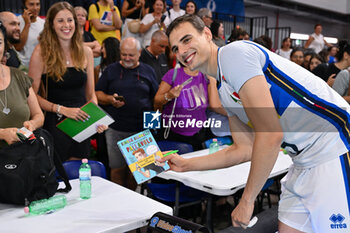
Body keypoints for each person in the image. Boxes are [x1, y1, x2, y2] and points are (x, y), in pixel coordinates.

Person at [162, 14, 350, 232]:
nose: (182, 51)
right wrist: (186, 165)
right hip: (302, 160)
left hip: (333, 146)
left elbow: (271, 135)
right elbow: (243, 149)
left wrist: (247, 200)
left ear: (206, 34)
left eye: (186, 40)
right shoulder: (223, 88)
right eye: (175, 48)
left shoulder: (234, 55)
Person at [29, 2, 107, 162]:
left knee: (80, 174)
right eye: (60, 20)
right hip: (54, 124)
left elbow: (91, 94)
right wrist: (61, 109)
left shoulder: (86, 52)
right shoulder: (41, 53)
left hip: (81, 123)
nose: (66, 25)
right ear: (51, 24)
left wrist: (96, 118)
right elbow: (31, 95)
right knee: (58, 177)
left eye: (70, 20)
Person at [95, 37, 158, 188]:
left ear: (139, 53)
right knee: (116, 170)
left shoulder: (148, 71)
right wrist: (110, 99)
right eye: (124, 55)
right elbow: (97, 94)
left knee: (138, 174)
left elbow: (155, 100)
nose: (127, 58)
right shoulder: (111, 70)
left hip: (141, 132)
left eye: (131, 55)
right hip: (115, 130)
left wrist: (153, 129)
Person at [153, 64, 225, 151]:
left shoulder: (206, 77)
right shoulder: (173, 74)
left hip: (199, 133)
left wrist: (212, 80)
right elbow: (157, 101)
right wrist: (169, 95)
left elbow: (214, 105)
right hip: (174, 134)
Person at [0, 22, 44, 149]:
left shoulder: (19, 76)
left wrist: (32, 124)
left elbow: (38, 115)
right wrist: (2, 134)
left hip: (22, 159)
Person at [16, 0, 45, 69]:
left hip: (40, 67)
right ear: (24, 6)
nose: (35, 8)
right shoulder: (16, 22)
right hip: (22, 68)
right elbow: (18, 47)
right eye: (31, 4)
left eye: (37, 4)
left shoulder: (44, 23)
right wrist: (27, 24)